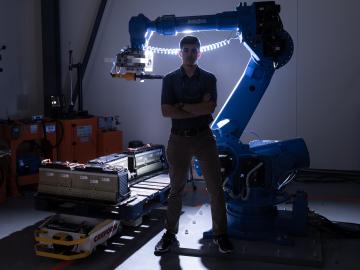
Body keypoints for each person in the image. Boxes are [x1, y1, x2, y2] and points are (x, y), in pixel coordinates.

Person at [154, 36, 234, 255]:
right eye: (186, 50)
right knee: (176, 190)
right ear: (180, 54)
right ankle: (169, 235)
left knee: (216, 189)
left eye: (193, 50)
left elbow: (209, 108)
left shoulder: (209, 78)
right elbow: (165, 111)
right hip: (178, 139)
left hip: (203, 138)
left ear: (200, 54)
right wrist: (195, 107)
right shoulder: (170, 79)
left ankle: (221, 235)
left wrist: (182, 106)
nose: (190, 53)